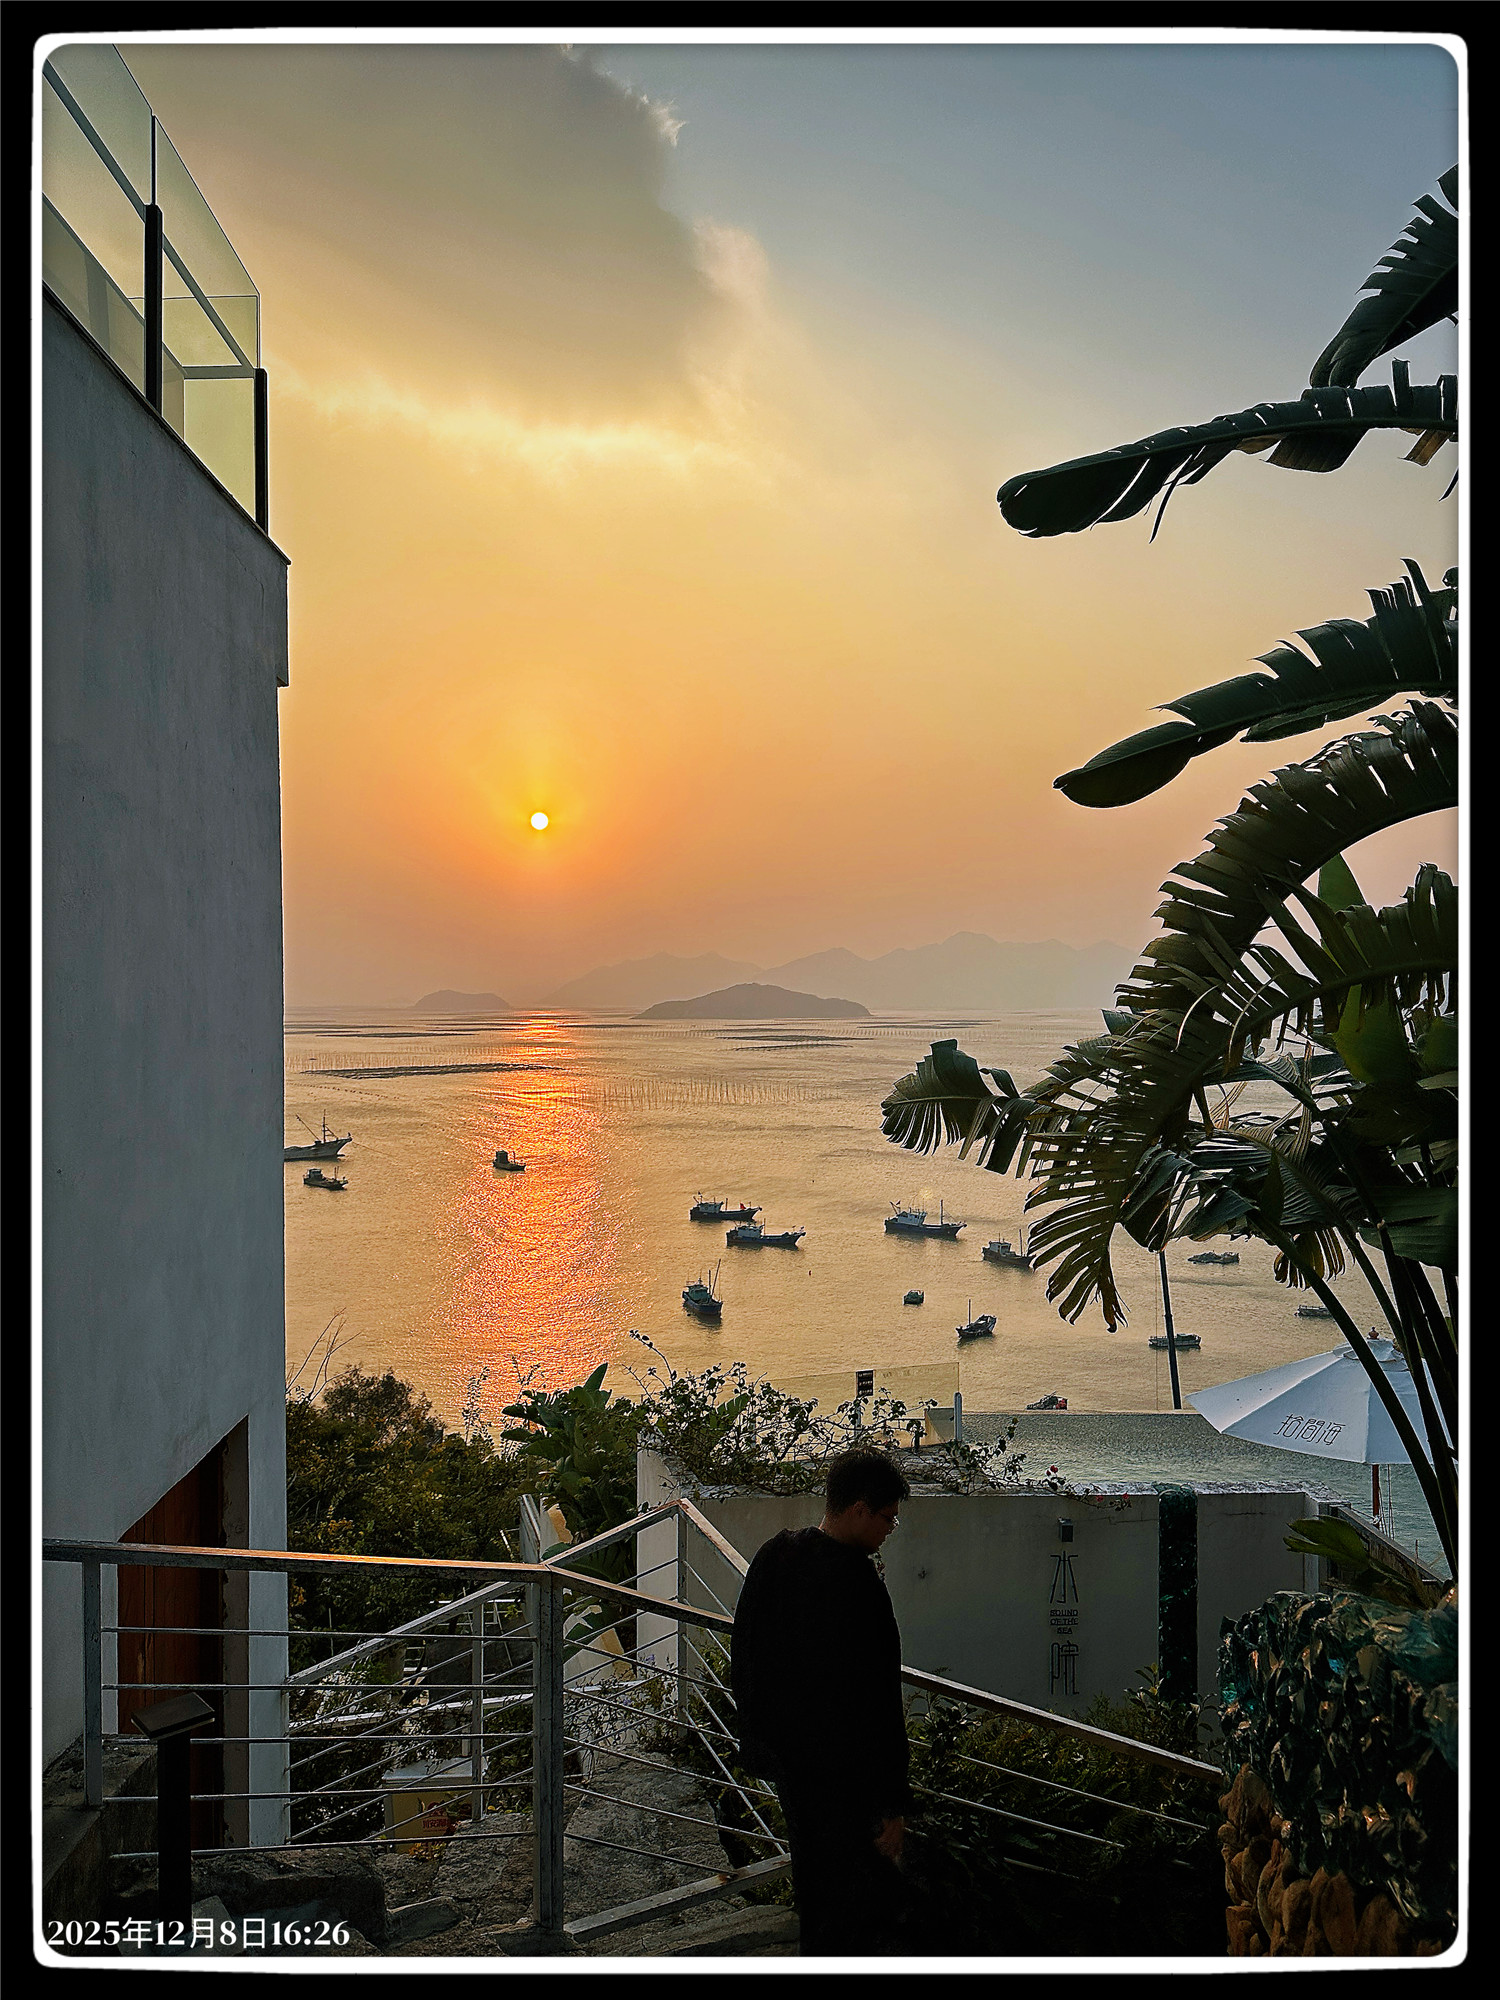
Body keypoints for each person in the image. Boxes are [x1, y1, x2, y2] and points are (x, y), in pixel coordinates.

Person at [730, 1448, 913, 1957]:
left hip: (795, 1766)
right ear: (858, 1509)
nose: (889, 1530)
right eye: (887, 1518)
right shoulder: (861, 1587)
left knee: (817, 1892)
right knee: (863, 1907)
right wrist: (893, 1803)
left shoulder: (775, 1557)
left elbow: (745, 1654)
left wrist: (762, 1744)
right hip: (849, 1780)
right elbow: (881, 1701)